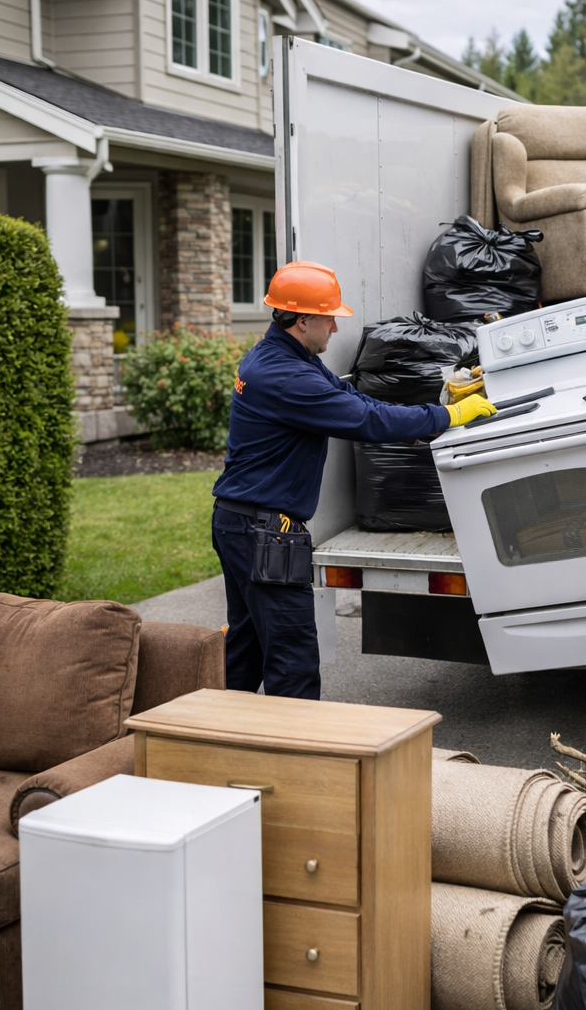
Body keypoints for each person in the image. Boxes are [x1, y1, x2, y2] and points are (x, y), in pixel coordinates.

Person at [212, 260, 495, 700]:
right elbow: (366, 419)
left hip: (241, 523)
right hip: (262, 532)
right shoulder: (289, 378)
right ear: (303, 320)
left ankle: (213, 743)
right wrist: (449, 416)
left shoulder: (282, 356)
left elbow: (350, 398)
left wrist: (437, 400)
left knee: (245, 651)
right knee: (293, 661)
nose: (336, 330)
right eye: (330, 318)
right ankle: (294, 762)